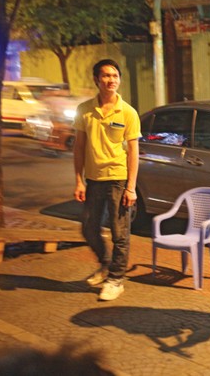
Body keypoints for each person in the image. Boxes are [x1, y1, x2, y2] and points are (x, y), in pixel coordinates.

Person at [73, 59, 141, 301]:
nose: (111, 80)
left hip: (118, 179)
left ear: (119, 79)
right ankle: (105, 264)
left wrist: (131, 188)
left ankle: (116, 279)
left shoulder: (128, 112)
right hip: (93, 179)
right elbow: (79, 148)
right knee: (88, 227)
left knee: (119, 232)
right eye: (105, 75)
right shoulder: (84, 110)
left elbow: (134, 152)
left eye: (115, 75)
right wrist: (79, 180)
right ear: (96, 80)